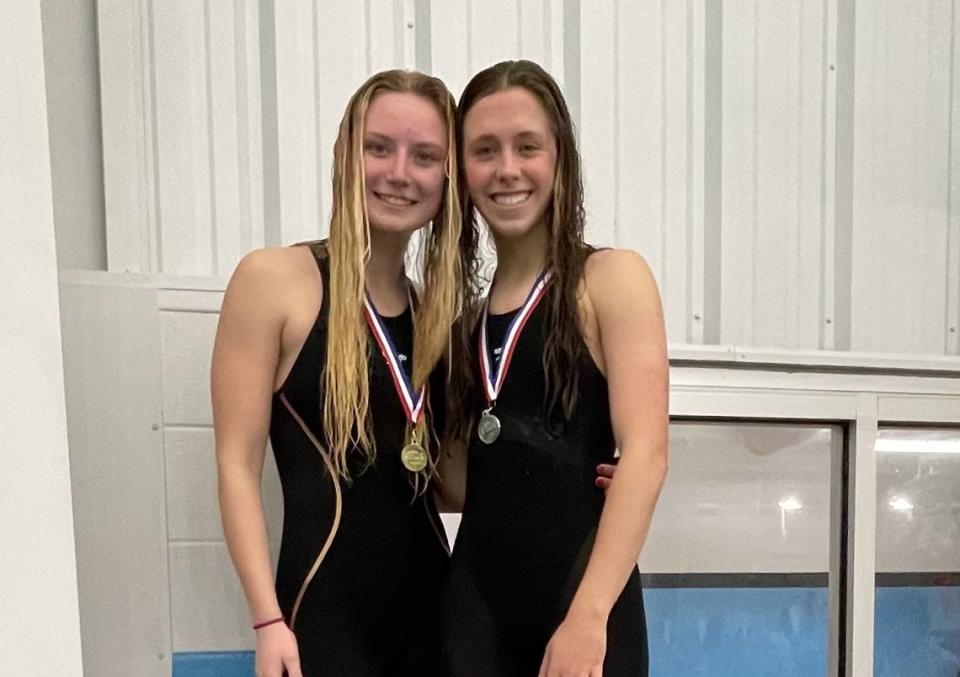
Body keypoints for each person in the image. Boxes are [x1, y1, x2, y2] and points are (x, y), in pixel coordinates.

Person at [212, 69, 461, 677]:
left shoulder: (437, 315)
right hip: (321, 618)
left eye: (424, 156)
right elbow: (236, 464)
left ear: (447, 180)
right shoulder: (275, 282)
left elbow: (452, 484)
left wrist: (574, 477)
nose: (399, 172)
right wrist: (267, 621)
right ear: (347, 156)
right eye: (379, 148)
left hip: (435, 618)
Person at [440, 60, 669, 676]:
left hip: (581, 604)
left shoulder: (609, 280)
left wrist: (589, 616)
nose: (507, 169)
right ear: (461, 171)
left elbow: (646, 454)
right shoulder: (464, 325)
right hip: (477, 610)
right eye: (484, 150)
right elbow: (461, 482)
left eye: (527, 147)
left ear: (559, 157)